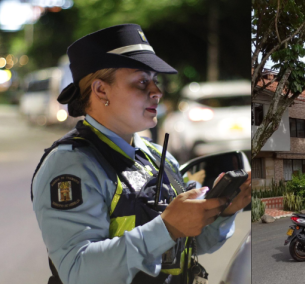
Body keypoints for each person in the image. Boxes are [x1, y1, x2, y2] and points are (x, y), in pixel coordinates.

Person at [31, 24, 252, 284]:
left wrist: (224, 211)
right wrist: (166, 228)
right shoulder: (71, 164)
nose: (156, 92)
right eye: (141, 81)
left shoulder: (160, 157)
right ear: (101, 90)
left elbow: (191, 245)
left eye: (155, 80)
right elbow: (77, 272)